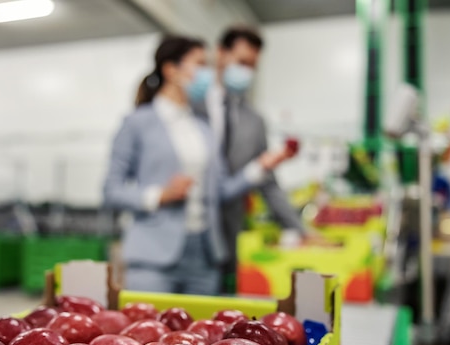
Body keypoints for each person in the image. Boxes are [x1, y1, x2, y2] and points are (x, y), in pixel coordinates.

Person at [103, 35, 294, 296]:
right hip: (153, 257)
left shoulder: (203, 129)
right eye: (200, 64)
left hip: (205, 256)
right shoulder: (137, 123)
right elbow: (110, 190)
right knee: (149, 334)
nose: (208, 73)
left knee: (202, 336)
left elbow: (221, 191)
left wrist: (259, 166)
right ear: (171, 70)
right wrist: (159, 195)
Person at [192, 26, 321, 290]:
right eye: (241, 62)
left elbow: (268, 184)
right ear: (220, 53)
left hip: (227, 235)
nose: (246, 72)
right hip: (184, 235)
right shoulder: (189, 105)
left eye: (252, 66)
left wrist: (301, 230)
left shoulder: (255, 121)